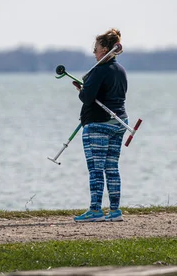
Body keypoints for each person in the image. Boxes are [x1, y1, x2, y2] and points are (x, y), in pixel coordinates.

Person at [73, 28, 128, 222]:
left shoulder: (99, 70)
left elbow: (88, 99)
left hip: (98, 125)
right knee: (112, 168)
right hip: (119, 123)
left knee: (96, 169)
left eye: (95, 48)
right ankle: (115, 211)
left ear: (105, 49)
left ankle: (95, 209)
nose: (93, 52)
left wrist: (82, 90)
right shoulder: (120, 70)